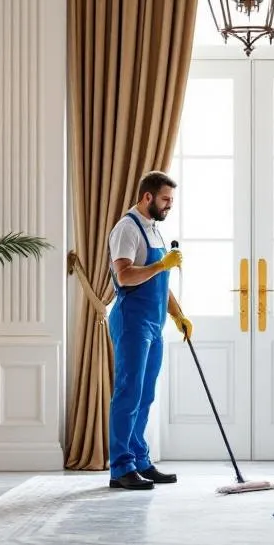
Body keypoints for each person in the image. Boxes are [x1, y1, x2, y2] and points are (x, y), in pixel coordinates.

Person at [106, 171, 193, 490]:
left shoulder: (153, 230)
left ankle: (140, 460)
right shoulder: (126, 229)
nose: (170, 205)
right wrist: (162, 265)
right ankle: (120, 467)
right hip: (131, 321)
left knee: (145, 394)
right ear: (147, 197)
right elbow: (126, 276)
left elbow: (161, 281)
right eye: (165, 200)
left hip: (154, 322)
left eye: (171, 200)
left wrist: (179, 315)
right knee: (128, 393)